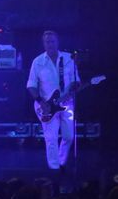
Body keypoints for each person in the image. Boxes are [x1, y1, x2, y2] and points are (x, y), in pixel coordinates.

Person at [26, 30, 80, 171]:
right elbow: (31, 85)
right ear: (43, 44)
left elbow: (76, 81)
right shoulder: (38, 62)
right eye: (47, 42)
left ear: (58, 42)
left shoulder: (68, 59)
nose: (50, 44)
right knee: (51, 138)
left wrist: (71, 91)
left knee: (69, 136)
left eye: (52, 41)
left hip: (67, 104)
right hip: (46, 106)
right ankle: (55, 168)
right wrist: (41, 102)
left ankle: (61, 161)